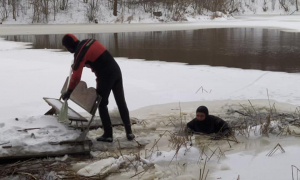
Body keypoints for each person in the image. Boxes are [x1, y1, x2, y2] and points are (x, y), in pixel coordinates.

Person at [61, 34, 135, 142]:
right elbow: (95, 58)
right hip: (116, 70)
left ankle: (108, 134)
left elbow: (76, 77)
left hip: (105, 76)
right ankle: (129, 132)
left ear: (69, 47)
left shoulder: (80, 53)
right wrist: (80, 64)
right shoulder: (89, 41)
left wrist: (69, 92)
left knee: (101, 104)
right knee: (121, 101)